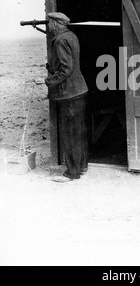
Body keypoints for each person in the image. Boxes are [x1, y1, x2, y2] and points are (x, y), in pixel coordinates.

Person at [45, 12, 89, 182]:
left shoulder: (60, 40)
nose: (48, 26)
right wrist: (52, 66)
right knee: (79, 130)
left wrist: (50, 80)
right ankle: (81, 166)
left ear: (56, 24)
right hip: (79, 89)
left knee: (70, 133)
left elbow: (66, 69)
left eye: (50, 23)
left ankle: (72, 173)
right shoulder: (71, 36)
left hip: (68, 93)